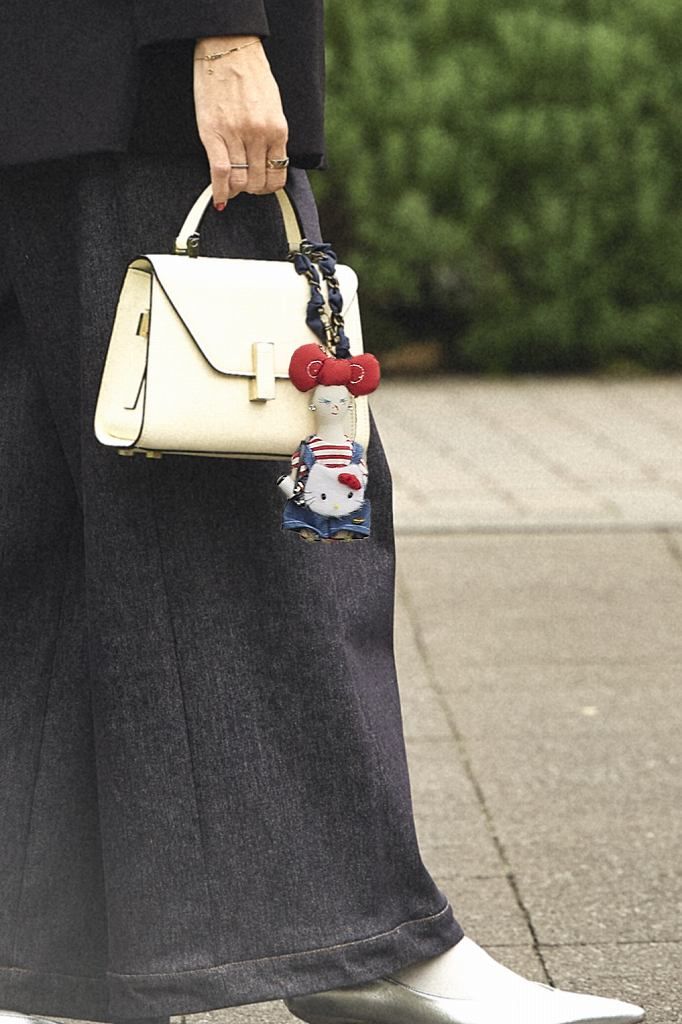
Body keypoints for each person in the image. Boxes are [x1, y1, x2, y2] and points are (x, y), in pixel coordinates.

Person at [0, 4, 644, 1024]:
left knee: (58, 522)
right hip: (142, 73)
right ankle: (359, 942)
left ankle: (40, 966)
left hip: (44, 80)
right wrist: (218, 32)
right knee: (277, 515)